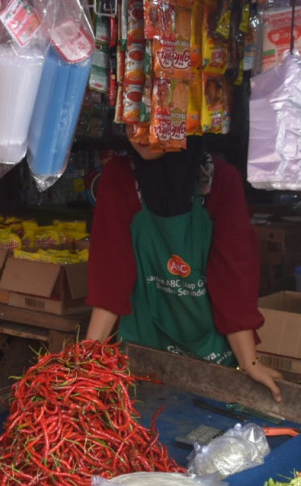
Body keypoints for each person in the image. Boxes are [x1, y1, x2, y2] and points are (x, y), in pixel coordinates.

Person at [85, 135, 284, 402]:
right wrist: (86, 359)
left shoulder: (220, 181)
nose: (138, 133)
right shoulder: (118, 177)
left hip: (209, 349)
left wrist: (250, 364)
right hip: (144, 347)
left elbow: (233, 278)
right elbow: (111, 272)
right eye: (131, 118)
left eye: (152, 118)